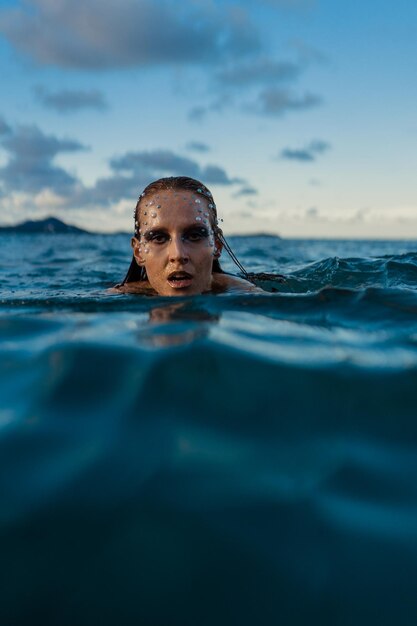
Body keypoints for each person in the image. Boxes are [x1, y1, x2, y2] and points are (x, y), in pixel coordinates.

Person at [115, 176, 263, 296]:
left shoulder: (250, 295)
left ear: (216, 246)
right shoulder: (117, 295)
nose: (178, 255)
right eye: (159, 238)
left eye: (194, 236)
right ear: (138, 252)